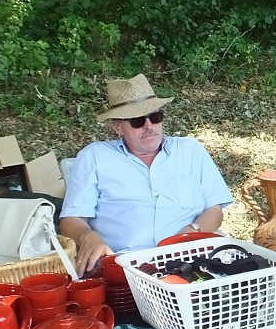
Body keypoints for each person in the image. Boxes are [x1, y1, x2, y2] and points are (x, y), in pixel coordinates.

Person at [61, 74, 234, 273]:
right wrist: (87, 237)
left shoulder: (190, 150)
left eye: (155, 117)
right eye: (137, 121)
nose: (149, 126)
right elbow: (71, 220)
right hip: (123, 263)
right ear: (117, 126)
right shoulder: (94, 156)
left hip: (190, 256)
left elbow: (214, 210)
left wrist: (189, 235)